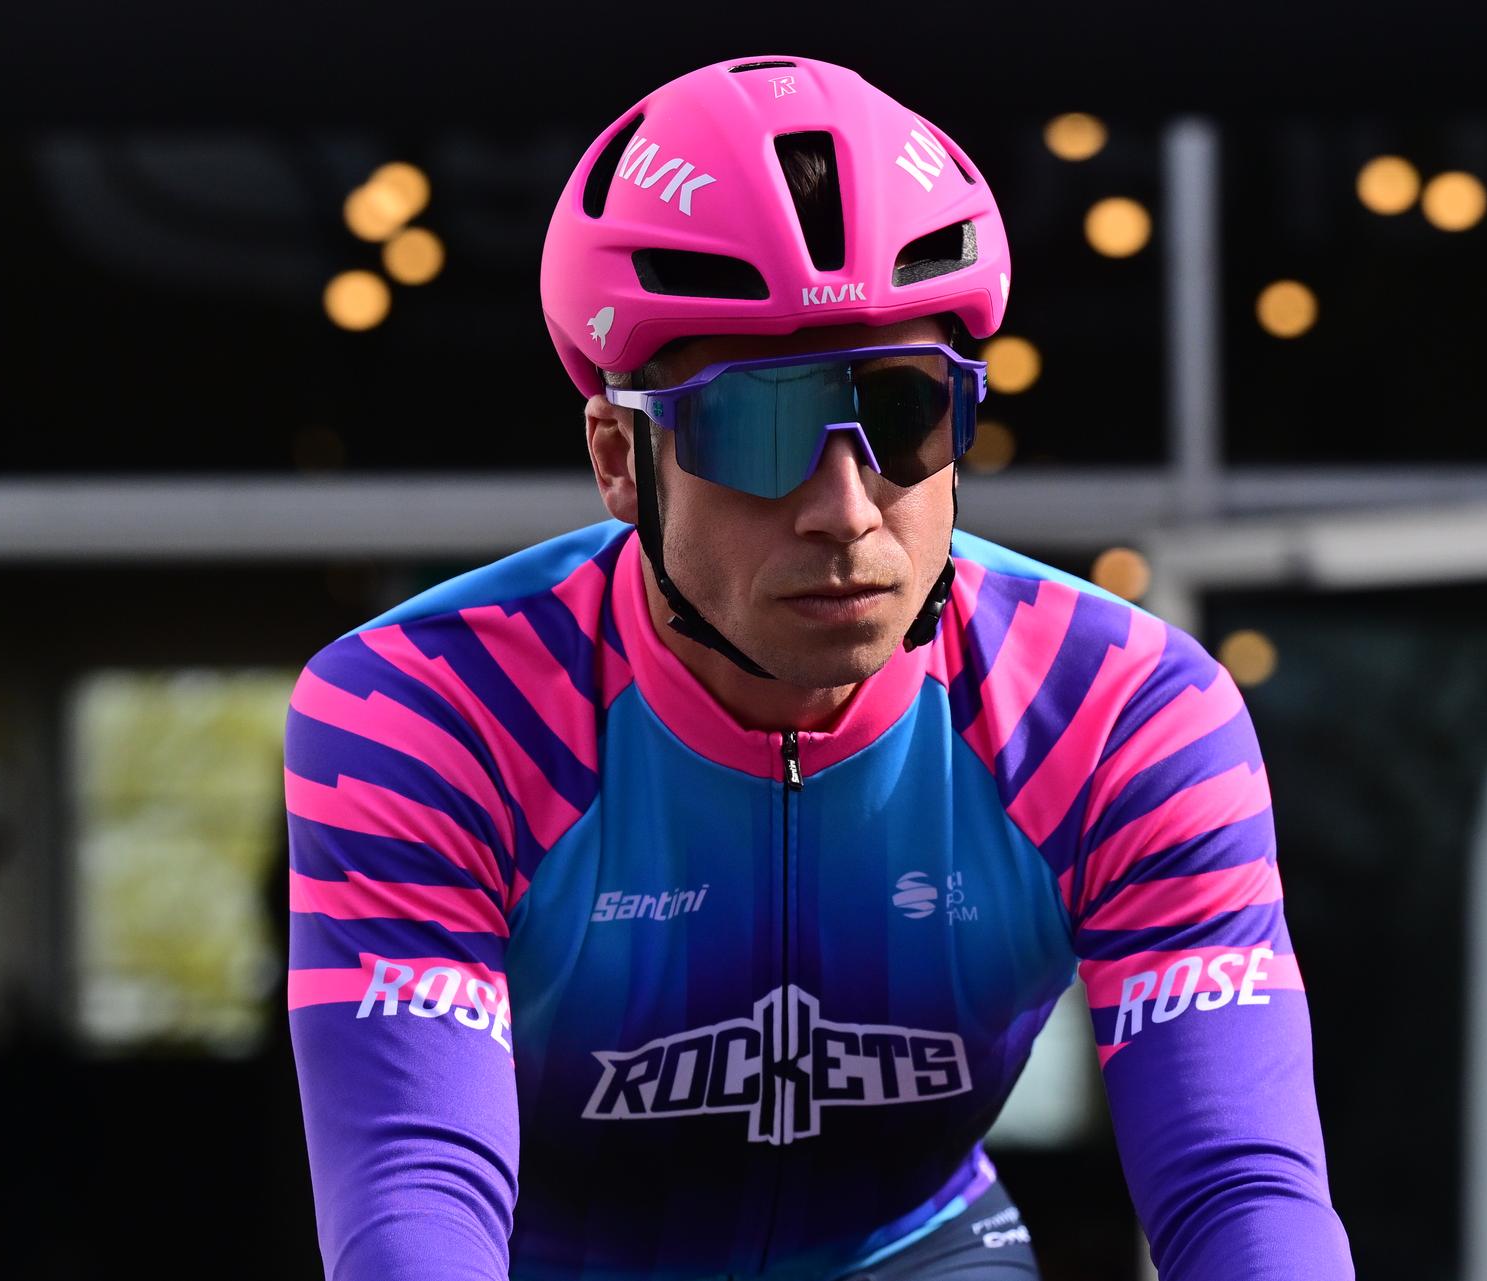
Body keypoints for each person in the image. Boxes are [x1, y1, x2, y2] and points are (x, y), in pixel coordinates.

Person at [284, 55, 1353, 1281]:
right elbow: (416, 1197)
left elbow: (1240, 1192)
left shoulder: (1121, 711)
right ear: (621, 458)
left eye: (904, 413)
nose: (846, 510)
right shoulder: (428, 711)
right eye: (760, 425)